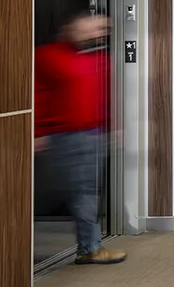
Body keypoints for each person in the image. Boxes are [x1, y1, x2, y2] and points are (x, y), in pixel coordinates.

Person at [34, 13, 127, 265]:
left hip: (93, 135)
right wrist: (37, 131)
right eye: (87, 30)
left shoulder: (101, 59)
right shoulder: (46, 56)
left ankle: (88, 245)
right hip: (62, 136)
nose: (94, 35)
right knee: (81, 192)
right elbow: (35, 94)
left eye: (100, 30)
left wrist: (113, 126)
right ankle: (89, 247)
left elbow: (107, 95)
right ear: (69, 29)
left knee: (85, 191)